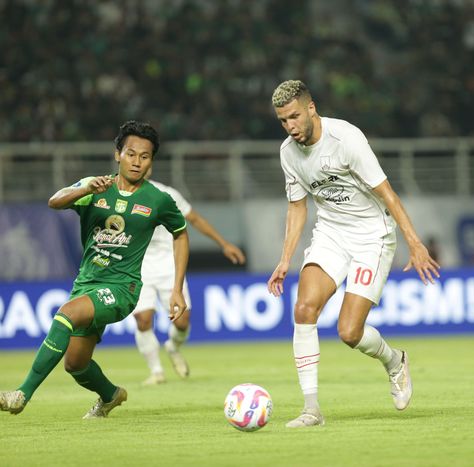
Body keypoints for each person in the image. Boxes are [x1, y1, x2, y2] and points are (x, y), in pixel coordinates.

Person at [266, 80, 440, 428]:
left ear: (311, 107)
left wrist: (415, 242)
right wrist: (285, 259)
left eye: (295, 117)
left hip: (372, 236)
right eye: (283, 121)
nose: (291, 127)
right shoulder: (288, 152)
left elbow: (388, 194)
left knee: (348, 331)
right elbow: (297, 208)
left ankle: (394, 360)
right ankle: (311, 409)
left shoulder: (346, 139)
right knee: (303, 308)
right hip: (331, 234)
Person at [0, 120, 189, 418]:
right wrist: (85, 188)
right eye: (130, 154)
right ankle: (111, 395)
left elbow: (180, 233)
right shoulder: (95, 186)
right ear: (118, 154)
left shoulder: (158, 200)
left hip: (122, 288)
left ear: (151, 161)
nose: (137, 161)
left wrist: (177, 287)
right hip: (87, 284)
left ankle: (21, 393)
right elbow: (54, 202)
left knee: (66, 313)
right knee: (76, 364)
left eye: (144, 156)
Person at [134, 171, 246, 385]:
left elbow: (194, 218)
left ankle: (173, 347)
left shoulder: (166, 194)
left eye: (145, 158)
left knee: (182, 321)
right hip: (137, 264)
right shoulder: (118, 195)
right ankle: (156, 371)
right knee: (143, 319)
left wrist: (224, 244)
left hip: (169, 262)